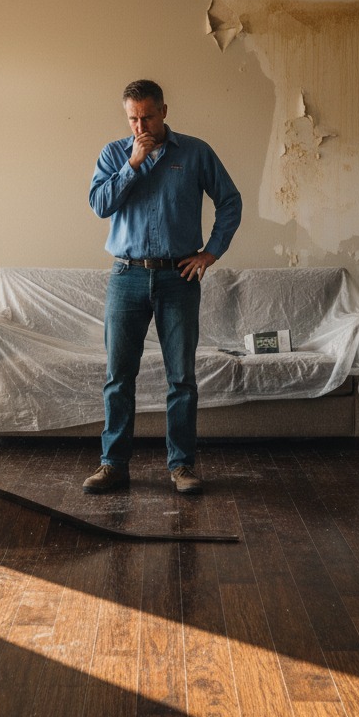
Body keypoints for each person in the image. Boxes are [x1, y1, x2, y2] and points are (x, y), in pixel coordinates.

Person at [84, 79, 242, 495]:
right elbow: (100, 205)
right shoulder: (114, 154)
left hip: (178, 277)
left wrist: (210, 253)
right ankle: (113, 464)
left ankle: (182, 467)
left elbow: (230, 201)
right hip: (126, 276)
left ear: (164, 111)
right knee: (119, 377)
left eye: (147, 116)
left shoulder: (195, 152)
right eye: (133, 119)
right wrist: (132, 164)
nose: (141, 126)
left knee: (181, 378)